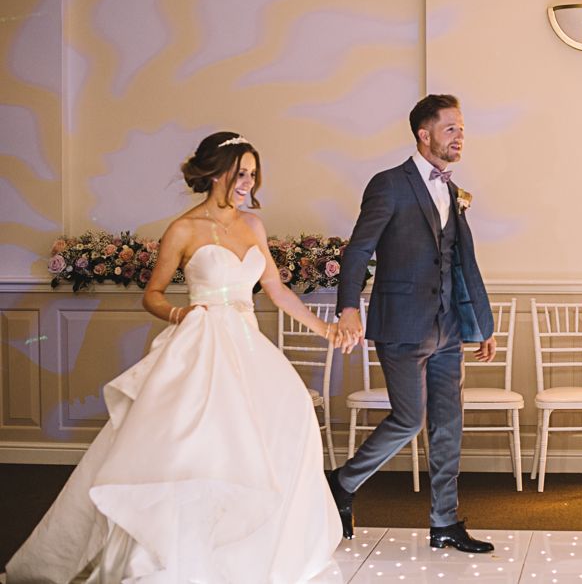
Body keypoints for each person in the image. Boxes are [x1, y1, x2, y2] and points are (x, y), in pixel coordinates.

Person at [6, 132, 342, 583]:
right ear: (216, 172)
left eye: (252, 175)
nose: (247, 183)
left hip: (247, 345)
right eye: (240, 173)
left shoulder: (253, 227)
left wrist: (325, 328)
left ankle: (256, 550)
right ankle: (180, 551)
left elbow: (277, 290)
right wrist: (180, 312)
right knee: (195, 446)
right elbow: (153, 295)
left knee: (289, 415)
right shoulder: (183, 229)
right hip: (201, 346)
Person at [328, 94, 497, 553]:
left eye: (462, 129)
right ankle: (342, 482)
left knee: (448, 424)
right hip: (402, 324)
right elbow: (358, 251)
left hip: (448, 329)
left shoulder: (453, 191)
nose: (460, 137)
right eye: (450, 129)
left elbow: (464, 262)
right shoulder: (388, 185)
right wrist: (348, 308)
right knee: (409, 418)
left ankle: (445, 522)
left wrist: (481, 324)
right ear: (424, 135)